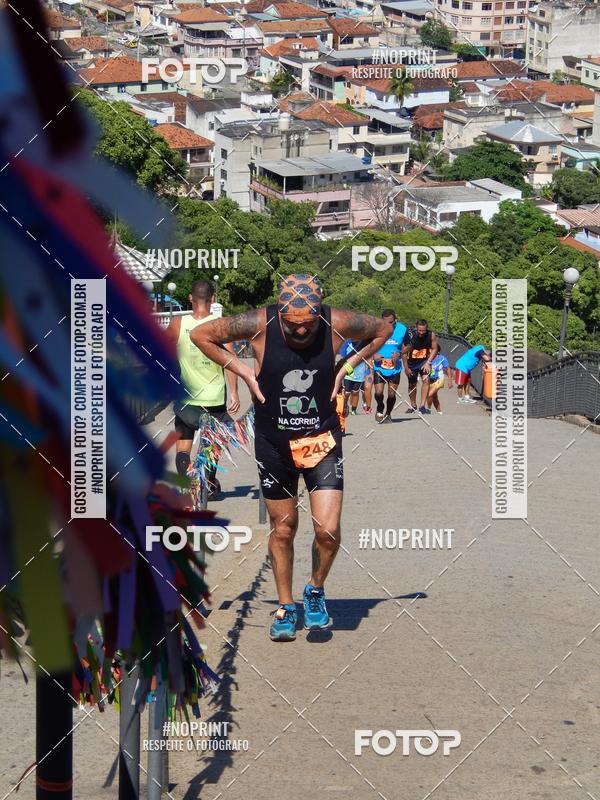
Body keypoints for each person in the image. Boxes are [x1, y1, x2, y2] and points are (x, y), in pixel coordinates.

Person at [189, 274, 391, 641]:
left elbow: (382, 330)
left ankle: (314, 590)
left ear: (319, 312)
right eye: (292, 323)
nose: (300, 331)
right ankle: (285, 605)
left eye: (308, 323)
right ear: (280, 311)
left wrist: (346, 365)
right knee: (283, 529)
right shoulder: (258, 322)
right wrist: (243, 371)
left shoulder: (338, 322)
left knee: (327, 530)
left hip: (322, 439)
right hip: (273, 442)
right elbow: (200, 335)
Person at [165, 280, 240, 499]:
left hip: (186, 399)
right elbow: (231, 360)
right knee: (212, 446)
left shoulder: (178, 323)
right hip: (214, 399)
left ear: (190, 298)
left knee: (183, 447)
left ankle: (189, 487)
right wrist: (234, 391)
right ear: (213, 299)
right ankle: (207, 486)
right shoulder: (221, 325)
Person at [372, 309, 410, 424]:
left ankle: (388, 414)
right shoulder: (376, 328)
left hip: (395, 367)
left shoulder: (402, 329)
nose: (388, 325)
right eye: (385, 322)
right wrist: (374, 354)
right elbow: (368, 344)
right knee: (378, 392)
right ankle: (380, 406)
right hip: (379, 366)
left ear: (395, 320)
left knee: (391, 393)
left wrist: (400, 353)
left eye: (391, 322)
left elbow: (409, 345)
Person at [402, 319, 438, 415]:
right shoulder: (410, 336)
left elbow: (435, 349)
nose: (421, 333)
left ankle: (422, 406)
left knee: (426, 380)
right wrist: (406, 368)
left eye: (423, 331)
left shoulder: (431, 335)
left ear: (427, 329)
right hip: (411, 364)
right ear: (416, 328)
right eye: (419, 330)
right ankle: (413, 405)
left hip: (424, 362)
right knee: (412, 385)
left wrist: (429, 362)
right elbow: (404, 353)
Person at [341, 339, 368, 416]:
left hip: (360, 373)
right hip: (349, 372)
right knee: (346, 393)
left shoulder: (364, 345)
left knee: (355, 392)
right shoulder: (347, 343)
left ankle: (353, 409)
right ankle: (344, 406)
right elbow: (343, 356)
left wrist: (367, 372)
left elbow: (367, 358)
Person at [426, 349, 452, 413]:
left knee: (429, 395)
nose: (430, 352)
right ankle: (439, 411)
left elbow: (448, 369)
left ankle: (428, 409)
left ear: (436, 351)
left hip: (439, 379)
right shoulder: (428, 358)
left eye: (432, 350)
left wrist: (450, 380)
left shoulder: (442, 358)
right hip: (430, 380)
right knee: (434, 397)